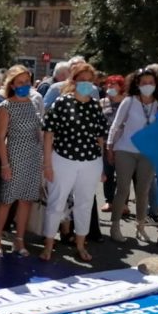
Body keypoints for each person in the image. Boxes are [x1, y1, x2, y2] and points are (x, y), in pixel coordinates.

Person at [40, 63, 107, 262]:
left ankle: (80, 245)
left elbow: (100, 137)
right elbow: (48, 134)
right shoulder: (61, 102)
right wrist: (47, 164)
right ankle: (48, 246)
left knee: (84, 204)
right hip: (63, 159)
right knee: (56, 203)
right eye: (82, 79)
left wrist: (101, 164)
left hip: (91, 161)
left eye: (89, 80)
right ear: (73, 81)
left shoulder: (95, 105)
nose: (85, 83)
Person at [0, 65, 43, 256]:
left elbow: (39, 132)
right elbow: (0, 138)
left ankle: (19, 240)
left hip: (32, 158)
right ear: (12, 85)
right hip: (14, 157)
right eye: (20, 82)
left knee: (26, 200)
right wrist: (4, 164)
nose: (24, 85)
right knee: (6, 200)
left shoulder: (32, 103)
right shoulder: (5, 107)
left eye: (27, 82)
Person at [107, 70, 158, 244]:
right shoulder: (129, 101)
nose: (148, 86)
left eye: (151, 82)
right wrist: (109, 146)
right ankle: (115, 226)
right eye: (144, 82)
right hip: (125, 150)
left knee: (143, 191)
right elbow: (116, 125)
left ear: (156, 84)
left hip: (148, 153)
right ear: (137, 84)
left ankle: (140, 227)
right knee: (123, 189)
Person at [99, 74, 126, 212]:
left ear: (121, 87)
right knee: (108, 173)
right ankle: (109, 201)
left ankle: (124, 203)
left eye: (113, 85)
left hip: (123, 144)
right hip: (105, 143)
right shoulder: (102, 102)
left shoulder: (126, 102)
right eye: (108, 85)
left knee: (123, 175)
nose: (109, 88)